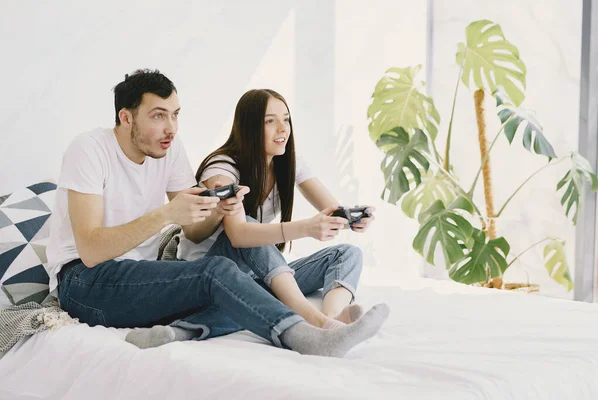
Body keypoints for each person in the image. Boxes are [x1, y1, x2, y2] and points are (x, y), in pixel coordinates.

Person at [45, 69, 389, 357]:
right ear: (125, 117)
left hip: (146, 272)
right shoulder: (89, 150)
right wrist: (167, 214)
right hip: (85, 283)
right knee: (218, 273)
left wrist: (218, 209)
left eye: (175, 114)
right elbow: (90, 252)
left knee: (239, 283)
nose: (171, 127)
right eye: (158, 116)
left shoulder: (170, 149)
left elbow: (195, 232)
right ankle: (307, 336)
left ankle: (185, 331)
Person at [178, 89, 377, 330]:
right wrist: (306, 228)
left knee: (347, 254)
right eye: (270, 121)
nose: (283, 128)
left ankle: (334, 318)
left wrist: (353, 218)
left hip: (254, 275)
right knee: (252, 226)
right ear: (249, 127)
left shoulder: (287, 161)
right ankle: (315, 322)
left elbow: (331, 209)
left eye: (286, 119)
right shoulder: (222, 169)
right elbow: (239, 235)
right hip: (211, 275)